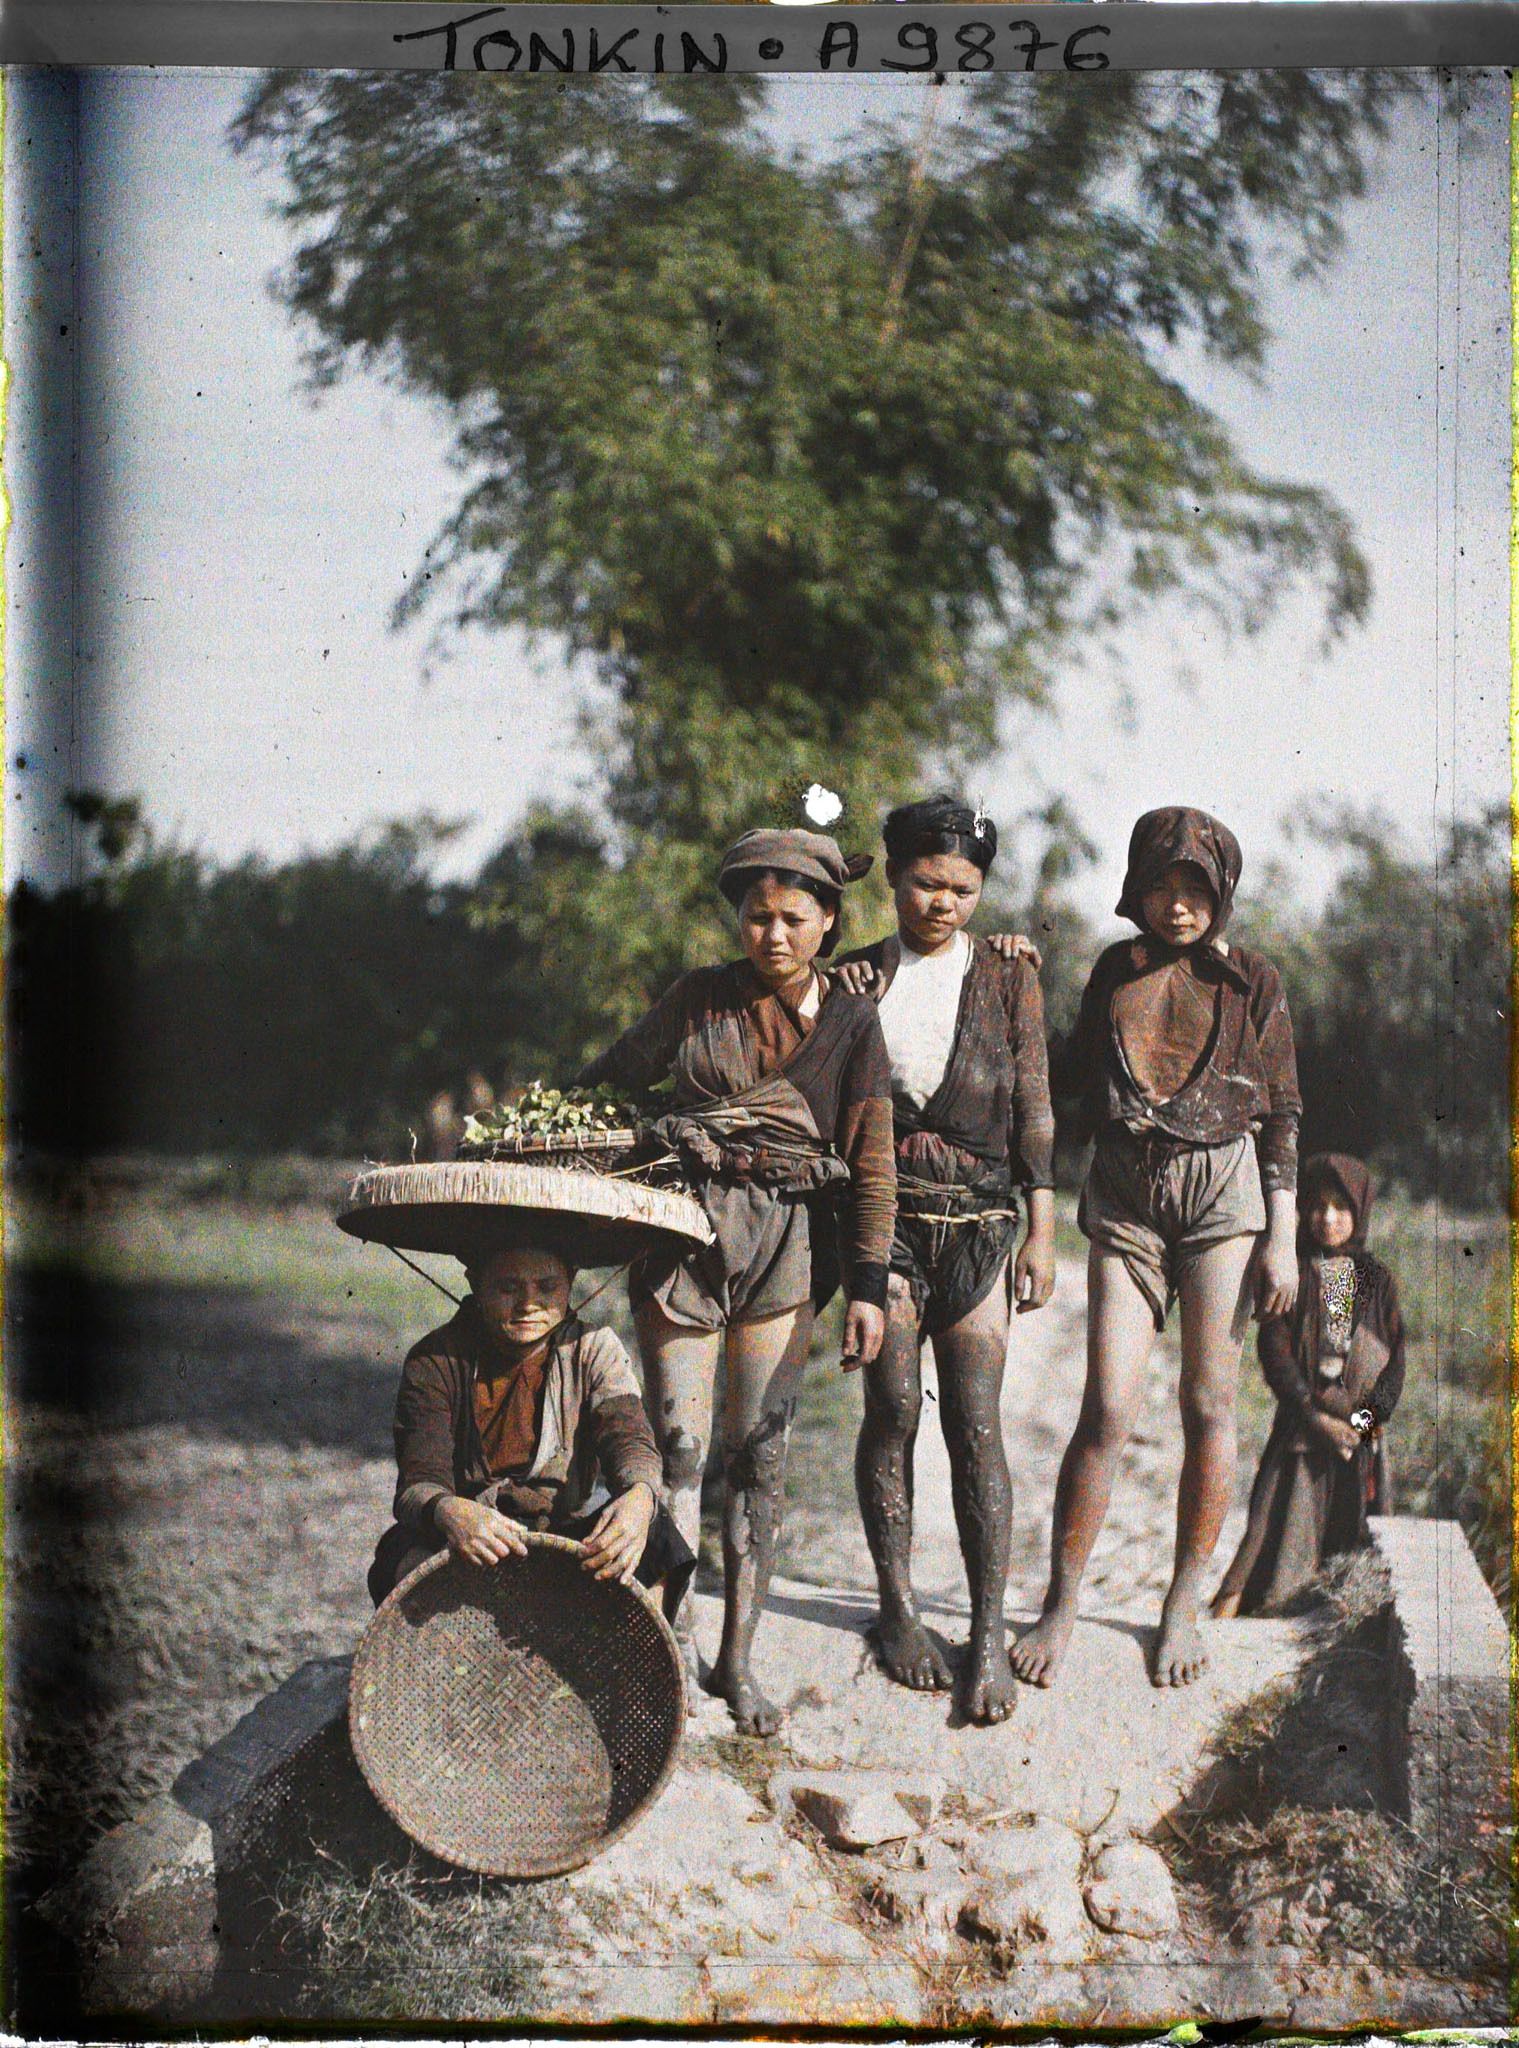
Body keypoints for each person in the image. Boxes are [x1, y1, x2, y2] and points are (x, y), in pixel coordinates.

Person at [580, 823, 895, 1736]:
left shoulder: (850, 1021)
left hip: (788, 1245)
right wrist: (614, 1146)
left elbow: (870, 1161)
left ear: (828, 920)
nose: (773, 935)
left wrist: (868, 1286)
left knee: (758, 1452)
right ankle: (662, 1642)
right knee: (677, 1448)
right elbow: (606, 1083)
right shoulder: (698, 1001)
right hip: (684, 1235)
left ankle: (738, 1659)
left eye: (794, 918)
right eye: (757, 917)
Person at [1011, 805, 1301, 1691]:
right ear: (1136, 891)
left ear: (1221, 895)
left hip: (1223, 1194)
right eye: (1162, 886)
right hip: (1127, 1194)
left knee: (1209, 1401)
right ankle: (1061, 1599)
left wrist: (1283, 1238)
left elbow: (1282, 1111)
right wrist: (1012, 977)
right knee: (1105, 1404)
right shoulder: (1114, 969)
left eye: (1196, 888)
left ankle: (1182, 1600)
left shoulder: (1252, 979)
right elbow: (1058, 1079)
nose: (1179, 905)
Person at [829, 795, 1056, 1725]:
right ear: (892, 878)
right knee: (889, 1411)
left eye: (963, 890)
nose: (943, 904)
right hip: (885, 1230)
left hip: (981, 1226)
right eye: (926, 883)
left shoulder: (1008, 977)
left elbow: (1034, 1108)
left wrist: (1042, 1228)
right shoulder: (854, 982)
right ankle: (899, 1611)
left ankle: (989, 1634)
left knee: (974, 1422)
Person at [367, 1235, 694, 1610]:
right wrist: (449, 1510)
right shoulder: (435, 1359)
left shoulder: (594, 1349)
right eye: (507, 1288)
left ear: (570, 1281)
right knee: (401, 1555)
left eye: (547, 1287)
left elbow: (629, 1438)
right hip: (474, 1534)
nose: (528, 1305)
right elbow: (417, 1484)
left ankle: (630, 1664)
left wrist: (639, 1496)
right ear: (475, 1282)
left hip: (564, 1532)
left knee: (660, 1540)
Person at [1211, 1154, 1405, 1617]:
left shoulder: (1376, 1280)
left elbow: (1394, 1361)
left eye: (1341, 1207)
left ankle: (1336, 1617)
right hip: (1301, 1426)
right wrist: (1316, 1416)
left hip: (1359, 1439)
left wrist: (1359, 1423)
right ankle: (1239, 1612)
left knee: (1351, 1530)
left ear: (1360, 1212)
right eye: (1317, 1206)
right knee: (1268, 1528)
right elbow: (1275, 1352)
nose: (1328, 1218)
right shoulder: (1291, 1271)